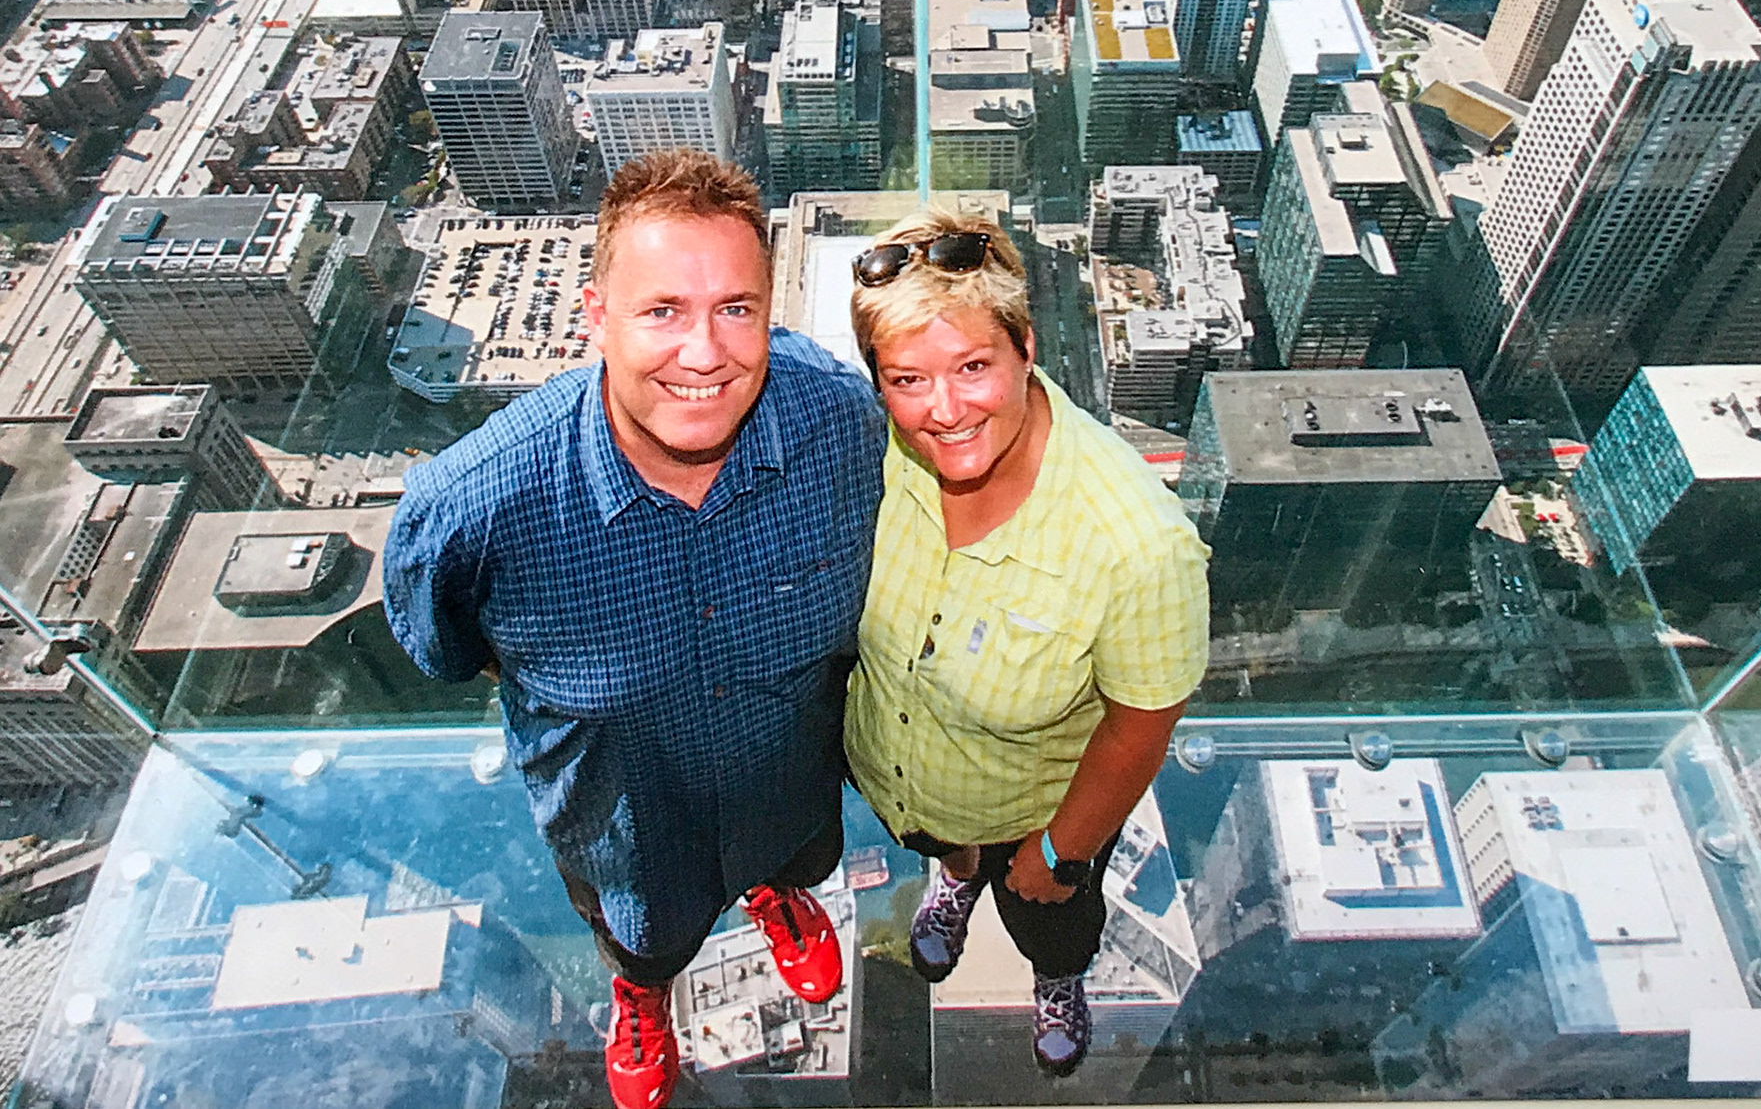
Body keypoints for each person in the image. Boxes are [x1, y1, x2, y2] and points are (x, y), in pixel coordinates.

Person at [384, 151, 886, 1109]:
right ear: (595, 316)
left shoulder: (841, 428)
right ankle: (643, 992)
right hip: (627, 831)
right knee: (644, 933)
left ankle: (777, 898)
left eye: (736, 308)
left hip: (786, 792)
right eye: (662, 310)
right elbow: (443, 651)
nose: (704, 352)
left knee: (794, 860)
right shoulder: (470, 508)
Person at [843, 208, 1210, 1077]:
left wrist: (1057, 852)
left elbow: (1140, 726)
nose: (943, 410)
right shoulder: (881, 450)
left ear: (1026, 348)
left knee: (1053, 919)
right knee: (951, 849)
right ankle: (957, 876)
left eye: (974, 367)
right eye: (906, 378)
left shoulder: (1133, 543)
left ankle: (1057, 976)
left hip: (1041, 812)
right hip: (916, 779)